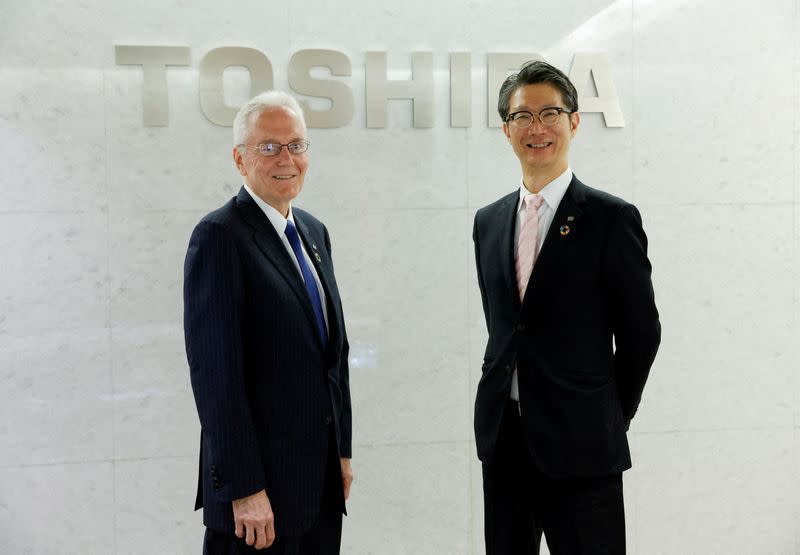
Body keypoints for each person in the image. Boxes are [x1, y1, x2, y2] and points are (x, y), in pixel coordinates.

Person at [472, 61, 661, 554]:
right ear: (506, 129)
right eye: (522, 116)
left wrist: (607, 414)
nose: (537, 128)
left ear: (574, 122)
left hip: (583, 446)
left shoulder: (610, 218)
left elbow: (642, 333)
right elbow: (505, 328)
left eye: (550, 113)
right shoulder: (488, 221)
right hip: (505, 441)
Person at [184, 90, 353, 554]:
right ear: (240, 159)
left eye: (297, 145)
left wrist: (341, 450)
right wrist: (243, 488)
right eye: (270, 147)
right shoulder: (219, 236)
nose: (287, 158)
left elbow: (332, 356)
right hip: (257, 502)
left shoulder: (314, 232)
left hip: (316, 487)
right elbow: (216, 376)